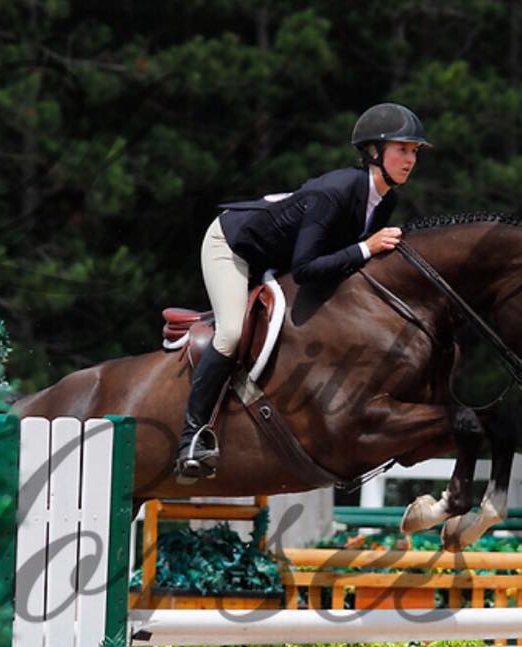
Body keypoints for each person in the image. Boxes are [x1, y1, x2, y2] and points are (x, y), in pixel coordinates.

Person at [174, 102, 431, 483]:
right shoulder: (336, 192)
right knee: (230, 333)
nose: (410, 159)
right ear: (375, 152)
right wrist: (367, 248)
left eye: (414, 152)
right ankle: (191, 438)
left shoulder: (384, 200)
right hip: (233, 245)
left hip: (280, 257)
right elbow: (311, 268)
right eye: (402, 149)